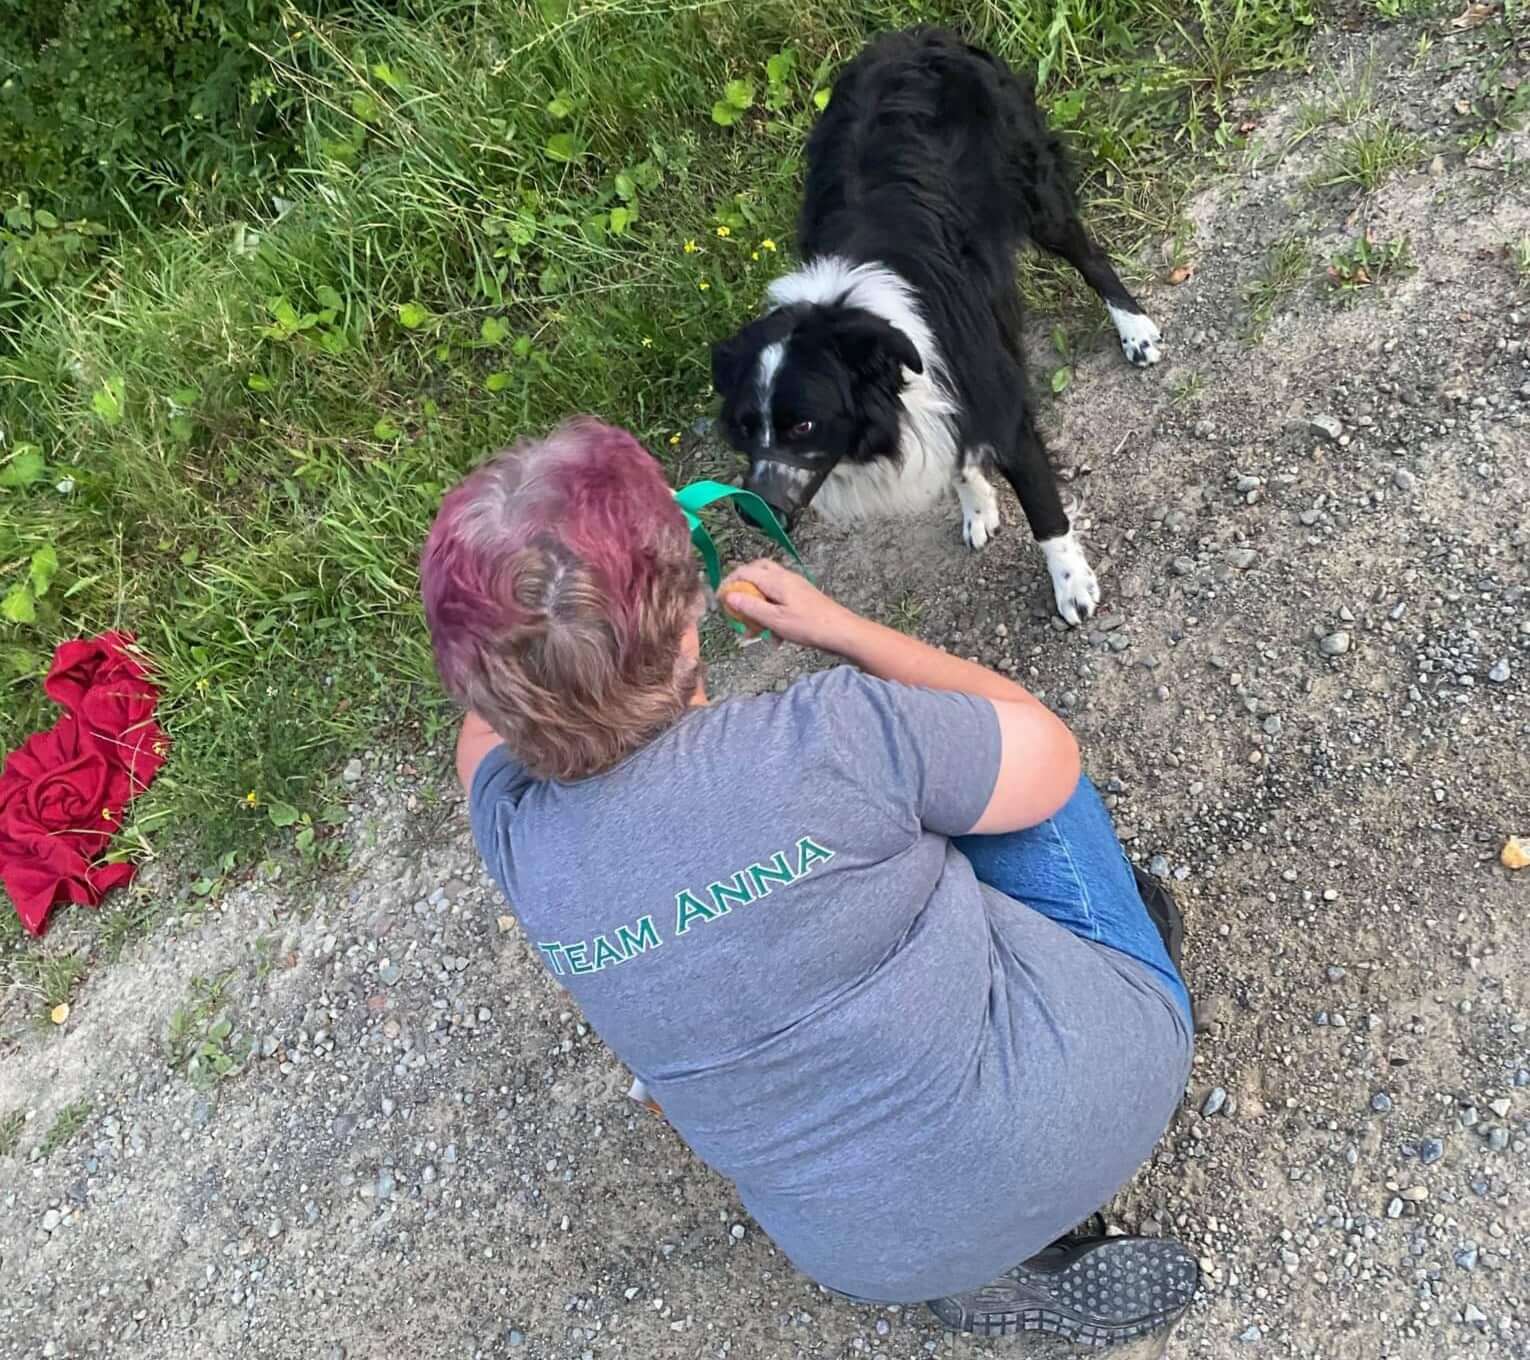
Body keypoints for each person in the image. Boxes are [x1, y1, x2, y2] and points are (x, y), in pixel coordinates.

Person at [420, 418, 1199, 1344]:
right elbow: (1044, 754)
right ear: (690, 615)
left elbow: (486, 734)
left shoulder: (513, 831)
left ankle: (972, 1265)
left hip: (863, 1256)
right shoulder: (833, 732)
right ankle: (1121, 953)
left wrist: (522, 642)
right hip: (1107, 1093)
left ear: (480, 693)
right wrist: (840, 629)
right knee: (1018, 783)